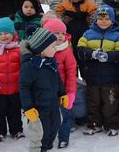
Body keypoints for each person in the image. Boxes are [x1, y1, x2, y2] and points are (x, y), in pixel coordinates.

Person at [77, 5, 119, 136]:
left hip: (110, 77)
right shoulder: (88, 34)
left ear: (112, 20)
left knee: (110, 102)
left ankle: (111, 124)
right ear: (95, 20)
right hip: (92, 77)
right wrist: (92, 54)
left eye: (107, 18)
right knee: (93, 102)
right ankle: (94, 124)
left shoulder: (117, 36)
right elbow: (80, 50)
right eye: (100, 18)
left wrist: (109, 57)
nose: (103, 21)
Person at [19, 27, 68, 152]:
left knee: (54, 127)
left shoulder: (51, 62)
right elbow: (24, 88)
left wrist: (62, 94)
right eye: (52, 46)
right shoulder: (29, 66)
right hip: (38, 109)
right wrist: (28, 108)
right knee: (40, 135)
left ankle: (47, 146)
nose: (55, 49)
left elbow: (57, 79)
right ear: (41, 49)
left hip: (53, 105)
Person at [42, 18, 77, 149]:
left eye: (63, 33)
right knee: (49, 116)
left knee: (64, 115)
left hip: (63, 92)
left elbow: (71, 72)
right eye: (57, 33)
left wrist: (71, 92)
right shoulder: (42, 51)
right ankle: (48, 137)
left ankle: (63, 138)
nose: (61, 36)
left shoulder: (66, 51)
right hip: (47, 91)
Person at [55, 0, 97, 75]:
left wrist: (91, 27)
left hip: (84, 34)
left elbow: (93, 17)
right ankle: (73, 77)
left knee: (83, 57)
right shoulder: (64, 5)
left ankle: (85, 76)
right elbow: (58, 15)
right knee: (71, 57)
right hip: (70, 34)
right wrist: (64, 20)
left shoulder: (89, 5)